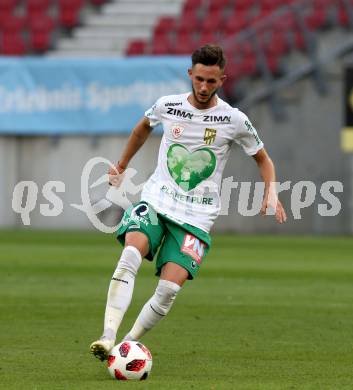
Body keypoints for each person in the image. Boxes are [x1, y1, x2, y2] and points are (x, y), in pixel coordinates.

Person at [90, 44, 287, 361]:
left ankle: (126, 345)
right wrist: (122, 164)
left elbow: (264, 159)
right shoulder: (168, 105)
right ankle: (107, 335)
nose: (204, 87)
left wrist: (271, 192)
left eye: (211, 81)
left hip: (196, 217)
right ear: (190, 75)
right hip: (156, 200)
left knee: (168, 291)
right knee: (130, 253)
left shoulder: (234, 119)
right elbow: (143, 128)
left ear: (222, 79)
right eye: (199, 79)